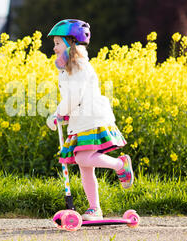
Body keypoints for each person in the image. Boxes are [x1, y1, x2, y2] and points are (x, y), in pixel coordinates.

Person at [46, 19, 134, 221]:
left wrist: (58, 113)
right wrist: (64, 114)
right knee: (86, 167)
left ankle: (121, 165)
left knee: (82, 158)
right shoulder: (68, 68)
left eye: (58, 43)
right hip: (83, 120)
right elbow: (75, 99)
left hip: (92, 118)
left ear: (71, 43)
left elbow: (74, 97)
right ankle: (95, 209)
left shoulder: (78, 66)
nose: (54, 47)